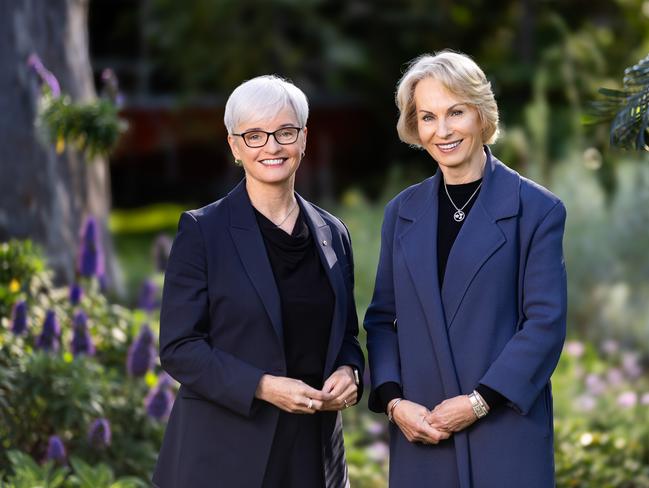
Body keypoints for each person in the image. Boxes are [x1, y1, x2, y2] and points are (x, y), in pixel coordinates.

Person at [364, 50, 567, 487]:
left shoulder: (537, 209)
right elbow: (382, 319)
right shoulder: (401, 212)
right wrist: (395, 402)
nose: (442, 130)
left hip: (504, 432)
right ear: (414, 126)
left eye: (455, 112)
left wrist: (478, 402)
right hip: (423, 431)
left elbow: (545, 324)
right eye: (428, 116)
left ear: (481, 114)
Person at [153, 75, 364, 488]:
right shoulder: (203, 231)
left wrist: (350, 369)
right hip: (223, 455)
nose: (271, 146)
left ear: (303, 138)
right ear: (234, 145)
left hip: (312, 454)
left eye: (284, 132)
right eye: (254, 135)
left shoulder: (333, 232)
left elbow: (345, 336)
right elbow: (179, 348)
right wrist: (264, 386)